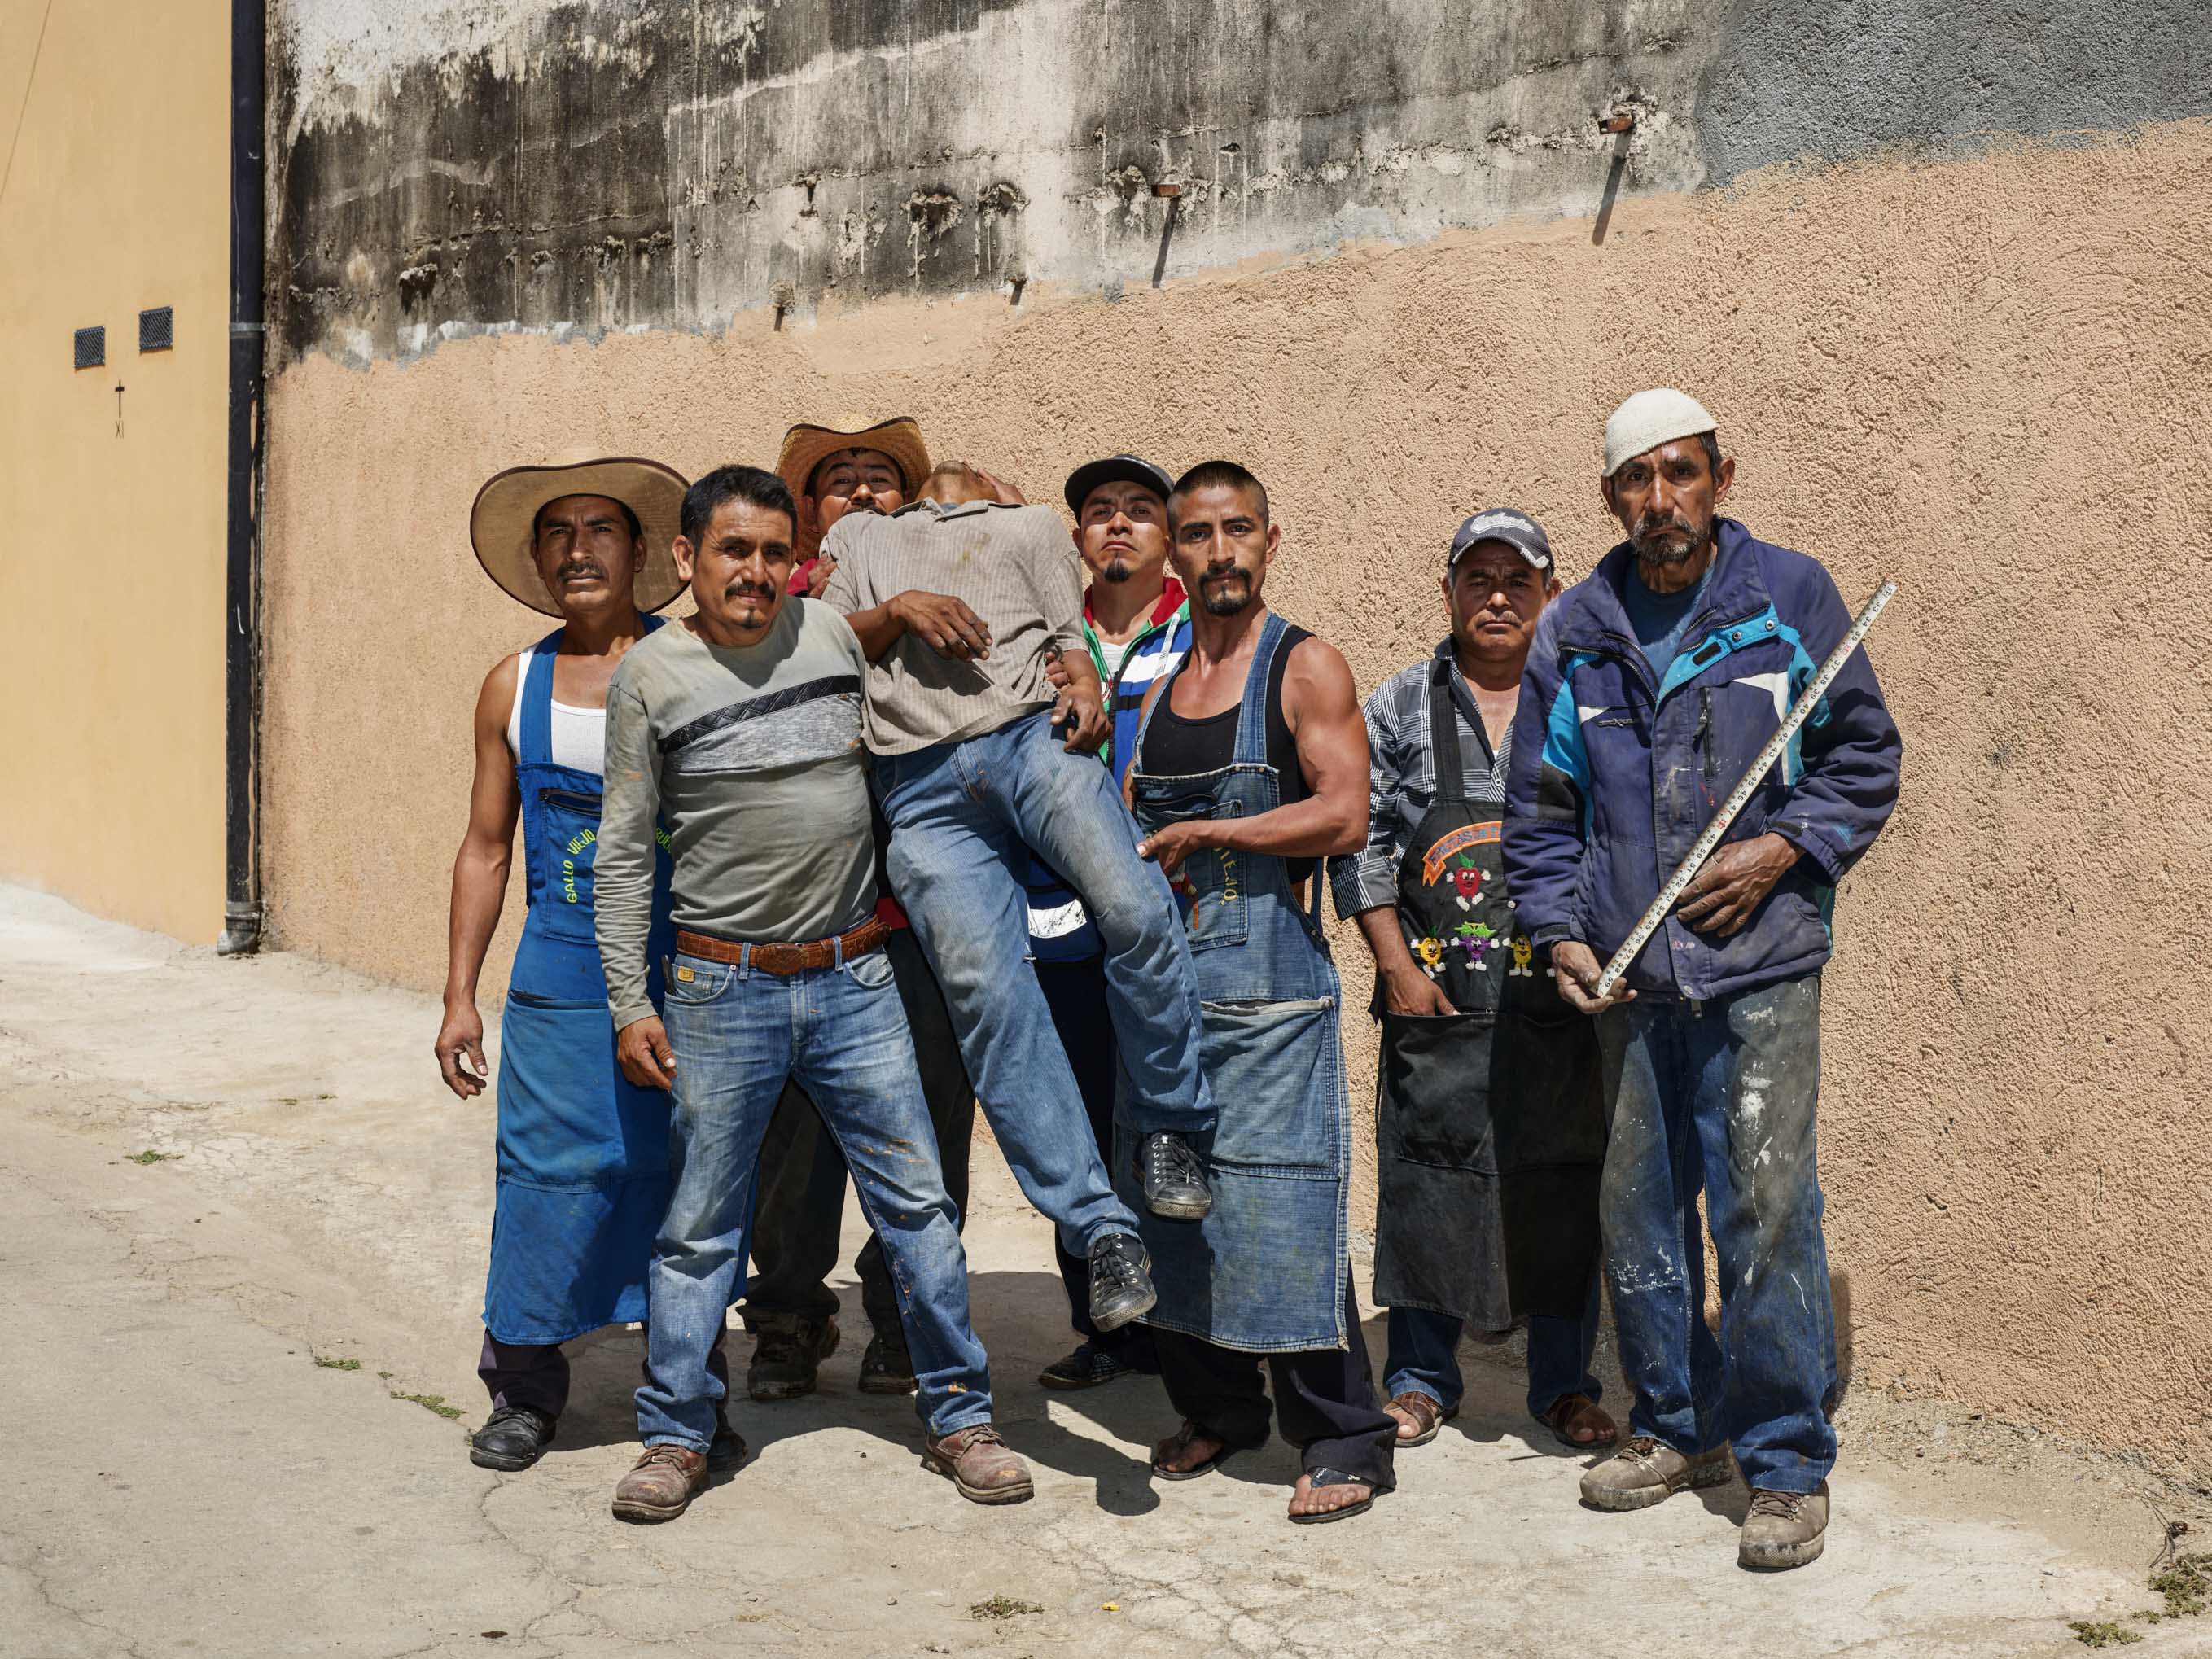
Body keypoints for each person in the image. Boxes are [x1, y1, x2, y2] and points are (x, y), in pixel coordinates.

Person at [1505, 389, 1903, 1569]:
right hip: (1629, 976)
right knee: (1638, 1206)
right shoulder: (1574, 627)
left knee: (1767, 1205)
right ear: (1610, 497)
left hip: (1760, 963)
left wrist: (1786, 847)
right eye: (1637, 478)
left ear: (1722, 478)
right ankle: (1678, 1426)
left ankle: (1785, 1461)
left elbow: (1864, 755)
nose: (1660, 498)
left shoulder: (1789, 600)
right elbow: (1539, 811)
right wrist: (1561, 934)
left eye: (1682, 472)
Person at [595, 464, 1023, 1523]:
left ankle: (961, 1415)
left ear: (798, 560)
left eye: (772, 552)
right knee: (700, 1228)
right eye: (731, 550)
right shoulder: (649, 677)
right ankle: (675, 1435)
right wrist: (627, 1000)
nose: (753, 570)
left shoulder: (831, 640)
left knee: (918, 1207)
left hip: (854, 980)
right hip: (717, 984)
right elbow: (621, 854)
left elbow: (903, 627)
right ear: (687, 558)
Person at [821, 466, 1220, 1340]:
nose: (958, 478)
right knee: (989, 1003)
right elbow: (822, 640)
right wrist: (899, 609)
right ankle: (1100, 1226)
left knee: (1136, 908)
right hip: (917, 785)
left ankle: (1171, 1124)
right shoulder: (859, 540)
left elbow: (1067, 632)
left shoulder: (1034, 525)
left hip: (1028, 744)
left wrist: (1079, 678)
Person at [435, 451, 740, 1474]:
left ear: (642, 551)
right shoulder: (510, 685)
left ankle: (689, 1396)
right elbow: (485, 847)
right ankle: (524, 1390)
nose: (578, 549)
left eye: (599, 529)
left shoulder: (696, 661)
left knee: (684, 1182)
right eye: (558, 533)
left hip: (690, 962)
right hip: (559, 968)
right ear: (536, 559)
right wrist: (458, 999)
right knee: (544, 1175)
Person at [1124, 460, 1398, 1525]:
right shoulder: (1159, 679)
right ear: (1173, 553)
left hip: (1273, 992)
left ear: (1269, 543)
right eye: (1197, 534)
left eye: (1239, 530)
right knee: (1172, 1209)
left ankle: (1345, 1435)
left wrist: (1220, 830)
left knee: (1283, 1209)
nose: (1219, 551)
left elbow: (1343, 814)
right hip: (1168, 993)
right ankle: (1220, 1408)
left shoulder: (1304, 665)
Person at [1330, 509, 1615, 1456]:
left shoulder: (1584, 697)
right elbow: (1359, 841)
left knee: (1564, 1185)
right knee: (1425, 1181)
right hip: (1436, 1001)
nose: (1496, 597)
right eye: (1476, 578)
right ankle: (1417, 1380)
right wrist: (1395, 966)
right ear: (1447, 590)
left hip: (1556, 1002)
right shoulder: (1399, 704)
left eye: (1517, 580)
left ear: (1548, 592)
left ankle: (1564, 1386)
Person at [734, 415, 975, 1404]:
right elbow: (788, 660)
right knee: (790, 1142)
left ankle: (905, 1315)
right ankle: (789, 1315)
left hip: (914, 920)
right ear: (807, 513)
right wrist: (896, 608)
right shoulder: (780, 599)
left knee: (923, 1127)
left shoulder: (950, 590)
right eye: (842, 483)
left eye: (885, 481)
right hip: (798, 923)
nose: (867, 495)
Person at [1027, 455, 1190, 1391]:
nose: (1118, 525)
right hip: (1059, 922)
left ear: (1164, 536)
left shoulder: (1201, 631)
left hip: (1171, 917)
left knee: (1167, 1119)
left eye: (1138, 511)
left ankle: (1185, 1330)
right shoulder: (1050, 639)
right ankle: (1106, 1325)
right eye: (1099, 513)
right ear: (1077, 537)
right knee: (1078, 1119)